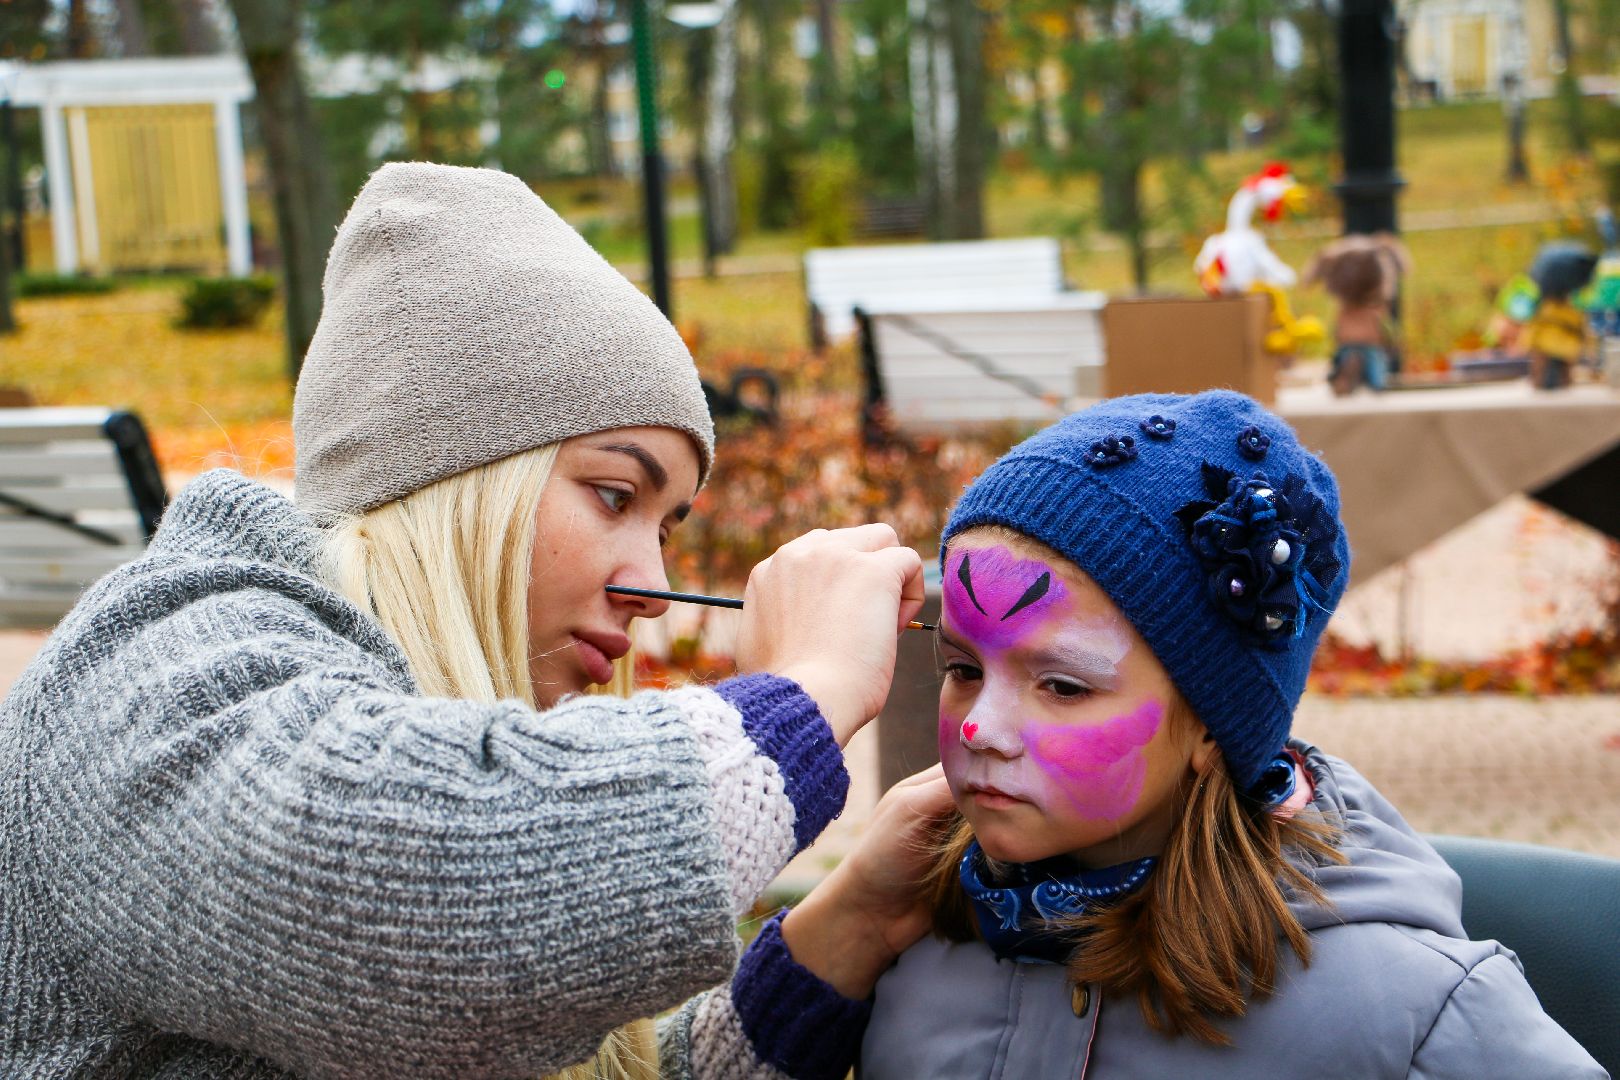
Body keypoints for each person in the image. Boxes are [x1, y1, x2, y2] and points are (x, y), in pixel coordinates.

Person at [0, 162, 951, 1079]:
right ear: (457, 482)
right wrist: (798, 699)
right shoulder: (154, 673)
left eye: (667, 526)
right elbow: (432, 911)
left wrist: (852, 925)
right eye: (615, 494)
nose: (653, 586)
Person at [852, 392, 1606, 1077]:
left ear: (1213, 726)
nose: (981, 726)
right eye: (962, 668)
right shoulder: (908, 932)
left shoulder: (1405, 1012)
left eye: (1063, 686)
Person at [1303, 233, 1410, 395]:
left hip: (1347, 340)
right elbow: (1386, 328)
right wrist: (1391, 340)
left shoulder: (1345, 308)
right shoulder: (1375, 307)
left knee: (1342, 356)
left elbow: (1336, 328)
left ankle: (1342, 373)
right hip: (1371, 341)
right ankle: (1377, 382)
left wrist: (1336, 335)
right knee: (1376, 364)